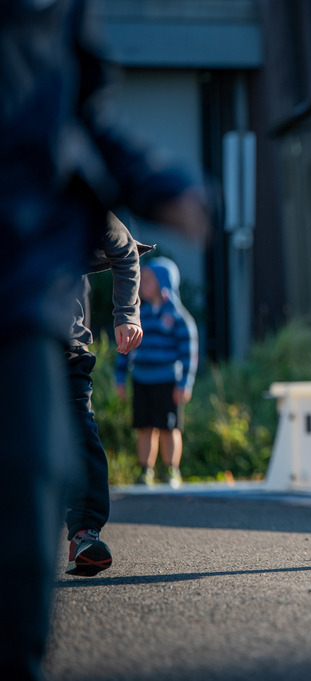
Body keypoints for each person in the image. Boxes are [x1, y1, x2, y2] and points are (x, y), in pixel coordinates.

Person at [0, 1, 208, 677]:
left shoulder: (54, 14)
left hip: (30, 294)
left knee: (37, 460)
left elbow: (92, 119)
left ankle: (81, 536)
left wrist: (163, 184)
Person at [65, 213, 149, 577]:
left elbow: (124, 247)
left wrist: (127, 313)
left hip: (59, 340)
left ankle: (84, 535)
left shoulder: (68, 183)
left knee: (79, 430)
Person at [115, 257, 199, 488]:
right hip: (141, 379)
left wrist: (185, 383)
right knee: (144, 427)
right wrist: (120, 377)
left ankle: (172, 469)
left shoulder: (178, 318)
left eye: (148, 280)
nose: (142, 285)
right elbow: (125, 348)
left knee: (169, 427)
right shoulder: (137, 316)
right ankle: (145, 470)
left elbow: (188, 352)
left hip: (167, 381)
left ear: (164, 283)